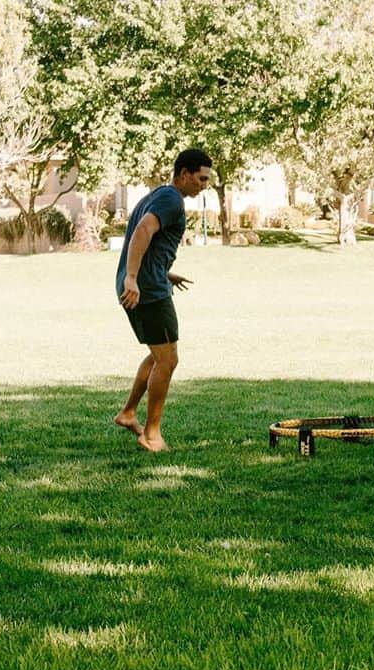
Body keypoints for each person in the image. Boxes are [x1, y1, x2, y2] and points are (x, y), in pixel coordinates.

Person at [114, 148, 212, 452]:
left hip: (148, 283)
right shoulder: (171, 200)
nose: (204, 185)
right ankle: (152, 434)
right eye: (201, 178)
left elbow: (150, 243)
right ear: (184, 173)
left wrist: (164, 273)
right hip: (147, 290)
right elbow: (143, 231)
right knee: (169, 360)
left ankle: (128, 413)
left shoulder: (158, 195)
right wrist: (134, 277)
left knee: (159, 355)